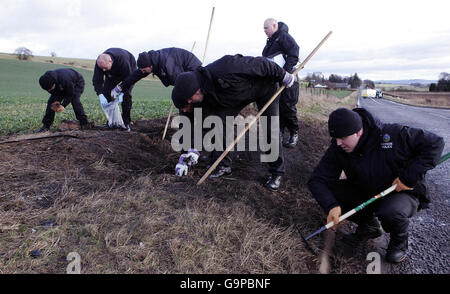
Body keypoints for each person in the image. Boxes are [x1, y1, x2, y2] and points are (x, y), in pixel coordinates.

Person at [307, 107, 444, 263]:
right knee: (330, 190)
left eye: (342, 137)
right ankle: (368, 226)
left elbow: (435, 143)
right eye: (335, 138)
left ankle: (399, 242)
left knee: (391, 212)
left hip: (401, 191)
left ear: (359, 131)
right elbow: (317, 180)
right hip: (366, 190)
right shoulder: (339, 148)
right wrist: (331, 205)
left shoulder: (393, 135)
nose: (338, 143)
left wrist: (408, 178)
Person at [171, 54, 297, 191]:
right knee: (218, 123)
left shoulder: (226, 67)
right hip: (235, 97)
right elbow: (203, 123)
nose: (189, 103)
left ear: (196, 90)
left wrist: (283, 75)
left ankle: (277, 172)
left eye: (189, 100)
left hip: (264, 87)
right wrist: (193, 150)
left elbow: (261, 63)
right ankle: (223, 165)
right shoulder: (202, 96)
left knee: (269, 126)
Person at [262, 18, 300, 148]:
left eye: (266, 28)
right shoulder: (270, 43)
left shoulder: (283, 37)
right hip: (276, 80)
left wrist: (286, 73)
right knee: (277, 107)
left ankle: (294, 133)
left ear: (274, 26)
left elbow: (294, 52)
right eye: (263, 29)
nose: (264, 31)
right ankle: (280, 134)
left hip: (289, 79)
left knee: (288, 107)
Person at [93, 48, 137, 131]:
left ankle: (126, 122)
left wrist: (122, 92)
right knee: (106, 93)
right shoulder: (100, 63)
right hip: (112, 74)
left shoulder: (122, 60)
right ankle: (112, 121)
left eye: (105, 68)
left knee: (126, 96)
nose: (103, 70)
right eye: (102, 68)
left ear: (110, 61)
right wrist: (100, 94)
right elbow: (97, 80)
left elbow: (128, 80)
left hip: (129, 71)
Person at [36, 68, 90, 132]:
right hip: (61, 86)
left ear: (54, 83)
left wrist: (63, 105)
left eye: (51, 89)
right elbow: (54, 93)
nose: (50, 91)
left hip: (77, 83)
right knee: (51, 102)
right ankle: (46, 125)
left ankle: (84, 122)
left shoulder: (65, 79)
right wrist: (57, 101)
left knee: (75, 100)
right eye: (48, 90)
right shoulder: (47, 81)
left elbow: (70, 94)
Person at [121, 47, 201, 90]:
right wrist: (120, 87)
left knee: (187, 95)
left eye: (144, 70)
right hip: (180, 68)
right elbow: (136, 75)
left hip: (193, 68)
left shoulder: (167, 64)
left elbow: (179, 82)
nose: (143, 72)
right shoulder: (152, 60)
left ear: (150, 66)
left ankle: (192, 117)